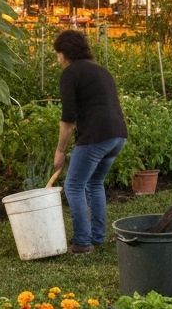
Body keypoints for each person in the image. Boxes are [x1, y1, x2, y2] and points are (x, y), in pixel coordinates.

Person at [52, 29, 127, 253]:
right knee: (94, 183)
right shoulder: (101, 71)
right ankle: (97, 236)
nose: (57, 59)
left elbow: (68, 119)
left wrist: (60, 151)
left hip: (96, 137)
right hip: (117, 135)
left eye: (57, 54)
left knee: (73, 186)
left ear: (65, 53)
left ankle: (82, 242)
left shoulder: (70, 73)